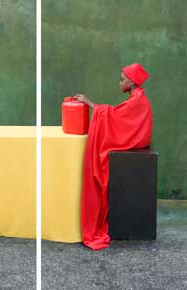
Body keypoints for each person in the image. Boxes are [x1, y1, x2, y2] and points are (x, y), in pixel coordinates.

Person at [75, 63, 153, 250]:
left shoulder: (137, 101)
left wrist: (90, 103)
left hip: (136, 140)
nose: (119, 82)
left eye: (122, 79)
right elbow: (116, 116)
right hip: (138, 139)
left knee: (101, 160)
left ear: (132, 82)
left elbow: (115, 118)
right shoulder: (137, 98)